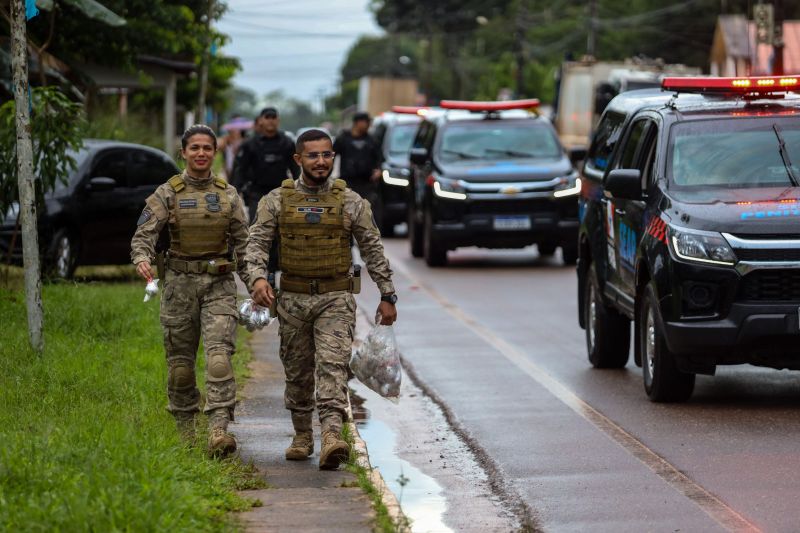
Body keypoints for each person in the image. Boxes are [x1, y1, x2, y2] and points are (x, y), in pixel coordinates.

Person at [245, 128, 398, 470]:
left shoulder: (350, 202)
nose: (320, 161)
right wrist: (256, 278)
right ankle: (302, 435)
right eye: (312, 155)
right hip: (293, 301)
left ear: (333, 157)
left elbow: (373, 250)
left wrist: (388, 294)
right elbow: (255, 244)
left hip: (336, 299)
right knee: (298, 372)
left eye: (326, 154)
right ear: (298, 159)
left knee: (332, 366)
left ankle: (332, 436)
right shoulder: (276, 201)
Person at [131, 124, 250, 458]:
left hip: (219, 285)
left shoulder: (229, 195)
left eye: (207, 148)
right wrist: (142, 259)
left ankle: (218, 432)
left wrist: (256, 282)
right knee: (181, 366)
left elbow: (245, 244)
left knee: (218, 359)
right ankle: (185, 433)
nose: (200, 153)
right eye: (194, 148)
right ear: (183, 152)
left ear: (215, 152)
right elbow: (143, 235)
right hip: (179, 287)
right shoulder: (167, 193)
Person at [232, 107, 300, 222]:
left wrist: (299, 190)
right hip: (257, 194)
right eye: (267, 117)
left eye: (273, 117)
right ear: (260, 121)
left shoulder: (287, 143)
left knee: (282, 231)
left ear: (278, 120)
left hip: (281, 193)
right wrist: (234, 193)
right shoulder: (250, 144)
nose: (270, 121)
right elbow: (241, 169)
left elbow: (295, 169)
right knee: (256, 230)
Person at [333, 112, 382, 221]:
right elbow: (332, 155)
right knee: (347, 214)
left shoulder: (372, 140)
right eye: (366, 122)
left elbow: (379, 158)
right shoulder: (343, 138)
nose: (368, 125)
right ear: (358, 122)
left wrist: (379, 170)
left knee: (366, 213)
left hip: (367, 183)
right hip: (348, 181)